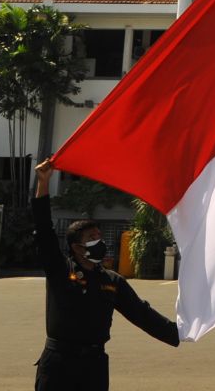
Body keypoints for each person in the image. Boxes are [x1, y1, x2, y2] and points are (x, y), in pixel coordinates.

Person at [32, 159, 179, 390]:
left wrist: (178, 332)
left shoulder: (111, 281)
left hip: (94, 365)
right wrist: (43, 183)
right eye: (91, 237)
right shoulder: (61, 270)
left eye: (99, 235)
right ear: (75, 247)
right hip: (59, 363)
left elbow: (141, 313)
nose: (98, 241)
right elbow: (43, 231)